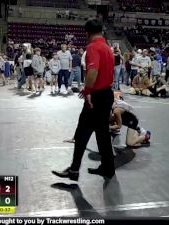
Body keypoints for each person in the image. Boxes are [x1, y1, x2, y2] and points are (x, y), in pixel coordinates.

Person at [52, 19, 116, 181]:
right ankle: (108, 169)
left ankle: (74, 170)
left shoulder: (93, 47)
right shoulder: (108, 48)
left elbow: (93, 71)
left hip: (96, 97)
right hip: (107, 93)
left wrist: (88, 91)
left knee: (82, 133)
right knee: (103, 135)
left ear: (87, 33)